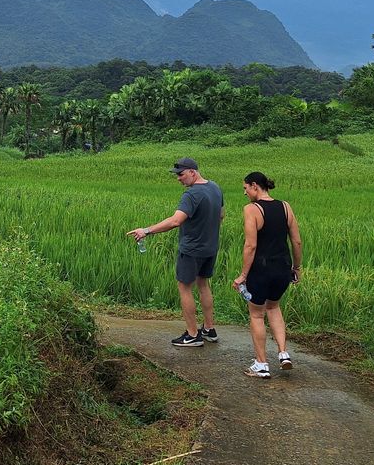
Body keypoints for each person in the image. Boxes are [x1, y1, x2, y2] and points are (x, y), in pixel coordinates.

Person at [129, 157, 225, 347]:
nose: (179, 179)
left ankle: (192, 335)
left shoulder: (191, 195)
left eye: (181, 174)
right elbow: (221, 215)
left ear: (192, 172)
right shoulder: (215, 187)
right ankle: (209, 329)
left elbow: (175, 221)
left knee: (184, 287)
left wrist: (146, 230)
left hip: (191, 249)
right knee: (203, 284)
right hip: (210, 247)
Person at [232, 171, 303, 378]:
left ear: (255, 186)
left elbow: (251, 245)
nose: (245, 193)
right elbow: (296, 241)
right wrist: (296, 268)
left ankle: (262, 364)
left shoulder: (252, 209)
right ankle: (283, 353)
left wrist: (243, 275)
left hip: (261, 269)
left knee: (256, 314)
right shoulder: (285, 206)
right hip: (283, 267)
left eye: (246, 188)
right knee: (274, 307)